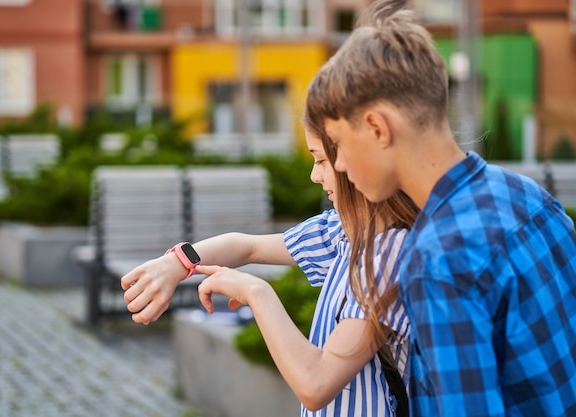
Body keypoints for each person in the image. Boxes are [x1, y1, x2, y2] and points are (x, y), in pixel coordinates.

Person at [304, 0, 576, 416]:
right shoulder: (529, 196)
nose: (338, 165)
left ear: (377, 128)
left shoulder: (437, 259)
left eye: (339, 145)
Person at [122, 125, 419, 416]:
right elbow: (247, 246)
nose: (314, 176)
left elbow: (316, 384)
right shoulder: (344, 231)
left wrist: (257, 293)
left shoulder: (389, 253)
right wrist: (177, 263)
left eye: (321, 160)